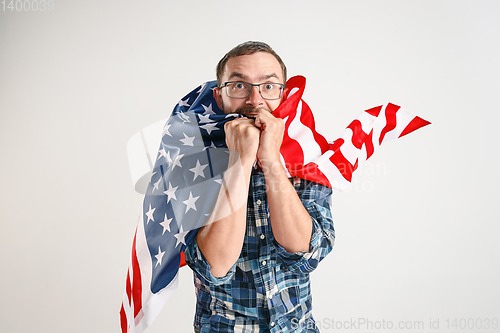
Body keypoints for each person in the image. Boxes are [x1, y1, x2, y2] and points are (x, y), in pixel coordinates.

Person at [183, 41, 335, 332]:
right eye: (239, 85)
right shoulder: (192, 161)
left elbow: (306, 254)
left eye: (268, 86)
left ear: (283, 94)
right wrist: (240, 163)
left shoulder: (307, 154)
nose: (255, 100)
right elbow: (213, 268)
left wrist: (270, 161)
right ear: (219, 96)